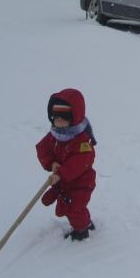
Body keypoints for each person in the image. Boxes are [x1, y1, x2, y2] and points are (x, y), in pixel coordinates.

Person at [36, 88, 97, 241]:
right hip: (63, 181)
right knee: (72, 207)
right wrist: (52, 163)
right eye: (55, 117)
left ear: (74, 117)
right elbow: (42, 148)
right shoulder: (54, 135)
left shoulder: (82, 140)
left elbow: (81, 161)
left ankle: (81, 231)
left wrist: (61, 174)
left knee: (74, 209)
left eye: (63, 118)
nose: (58, 121)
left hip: (81, 182)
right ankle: (86, 222)